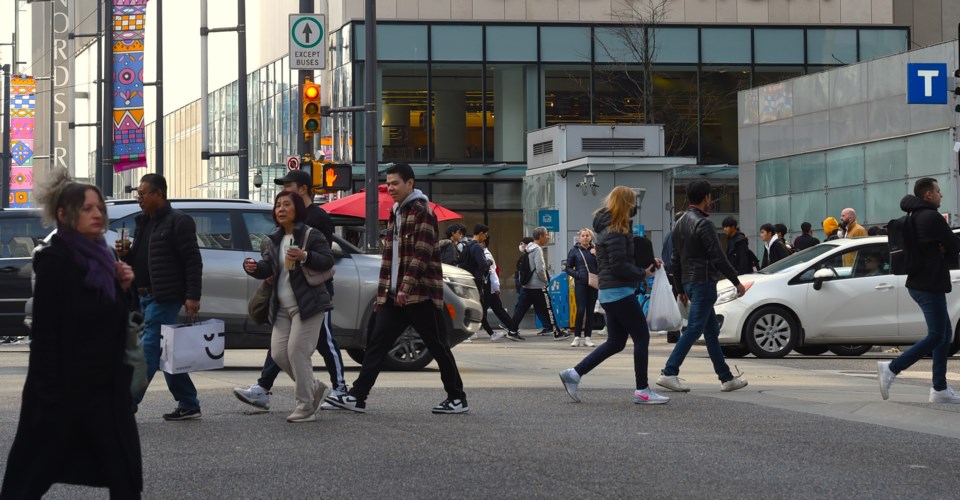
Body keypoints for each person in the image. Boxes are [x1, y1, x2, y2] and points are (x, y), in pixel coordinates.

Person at [2, 169, 142, 498]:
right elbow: (47, 335)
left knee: (125, 477)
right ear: (64, 215)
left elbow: (116, 321)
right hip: (64, 392)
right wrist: (48, 396)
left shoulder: (104, 256)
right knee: (30, 476)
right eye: (87, 208)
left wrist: (123, 289)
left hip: (105, 392)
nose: (97, 214)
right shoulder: (55, 260)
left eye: (99, 208)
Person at [324, 162, 469, 414]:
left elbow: (422, 253)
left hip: (419, 293)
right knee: (377, 343)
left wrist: (406, 286)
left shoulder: (422, 211)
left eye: (395, 183)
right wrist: (385, 294)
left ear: (410, 183)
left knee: (436, 344)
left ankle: (457, 397)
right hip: (395, 295)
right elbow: (390, 259)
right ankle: (358, 396)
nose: (390, 188)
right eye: (388, 183)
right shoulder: (397, 211)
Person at [233, 169, 349, 411]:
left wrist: (304, 257)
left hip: (314, 292)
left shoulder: (317, 220)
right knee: (281, 349)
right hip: (287, 295)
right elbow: (271, 260)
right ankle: (270, 388)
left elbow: (324, 258)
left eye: (289, 188)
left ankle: (339, 388)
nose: (283, 197)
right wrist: (261, 269)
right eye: (280, 200)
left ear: (303, 189)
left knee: (322, 341)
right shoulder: (280, 231)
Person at [559, 186, 669, 405]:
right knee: (641, 337)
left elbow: (616, 261)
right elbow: (619, 265)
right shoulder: (616, 230)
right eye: (633, 202)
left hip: (611, 291)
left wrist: (643, 265)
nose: (636, 206)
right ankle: (642, 390)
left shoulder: (610, 228)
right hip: (619, 291)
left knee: (616, 341)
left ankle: (574, 374)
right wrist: (642, 273)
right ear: (627, 204)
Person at [116, 173, 203, 421]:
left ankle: (126, 404)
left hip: (165, 297)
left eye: (142, 195)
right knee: (168, 353)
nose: (139, 199)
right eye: (138, 195)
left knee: (148, 351)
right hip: (143, 297)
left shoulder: (179, 222)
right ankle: (188, 402)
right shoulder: (143, 222)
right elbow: (141, 262)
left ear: (158, 194)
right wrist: (126, 255)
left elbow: (192, 260)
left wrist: (192, 296)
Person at [656, 179, 748, 393]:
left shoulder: (679, 224)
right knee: (695, 329)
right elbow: (718, 256)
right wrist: (736, 281)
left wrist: (679, 288)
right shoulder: (703, 223)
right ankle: (669, 372)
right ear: (707, 197)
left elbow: (675, 259)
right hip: (703, 281)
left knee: (710, 330)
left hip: (689, 282)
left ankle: (726, 377)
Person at [878, 178, 960, 404]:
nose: (941, 195)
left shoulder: (913, 215)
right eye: (938, 191)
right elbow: (954, 245)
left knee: (944, 336)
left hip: (920, 282)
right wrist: (943, 248)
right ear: (928, 195)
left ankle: (940, 390)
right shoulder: (931, 216)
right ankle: (892, 368)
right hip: (929, 283)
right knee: (936, 336)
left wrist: (940, 247)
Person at [506, 227, 571, 342]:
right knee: (548, 307)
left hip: (527, 284)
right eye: (546, 235)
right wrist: (545, 281)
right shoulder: (537, 249)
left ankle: (512, 331)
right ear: (540, 237)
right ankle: (557, 332)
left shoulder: (528, 248)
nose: (547, 237)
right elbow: (540, 268)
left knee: (521, 308)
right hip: (538, 285)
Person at [509, 236, 551, 333]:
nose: (520, 246)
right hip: (534, 285)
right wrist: (545, 281)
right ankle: (552, 328)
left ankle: (512, 329)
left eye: (522, 244)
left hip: (529, 285)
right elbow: (539, 269)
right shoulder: (532, 252)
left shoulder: (532, 252)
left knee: (523, 308)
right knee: (543, 307)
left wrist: (544, 281)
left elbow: (539, 269)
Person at [565, 228, 599, 347]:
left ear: (591, 237)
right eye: (583, 236)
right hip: (580, 283)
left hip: (593, 283)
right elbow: (567, 267)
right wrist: (578, 275)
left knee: (590, 310)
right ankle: (577, 337)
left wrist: (597, 255)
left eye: (587, 235)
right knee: (580, 310)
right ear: (579, 238)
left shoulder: (595, 250)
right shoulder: (574, 251)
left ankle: (588, 337)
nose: (585, 237)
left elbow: (603, 265)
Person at [478, 235, 512, 342]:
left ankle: (509, 328)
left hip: (490, 287)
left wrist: (496, 286)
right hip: (490, 288)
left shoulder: (486, 255)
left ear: (483, 243)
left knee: (484, 310)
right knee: (498, 309)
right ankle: (512, 327)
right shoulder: (483, 253)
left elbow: (492, 272)